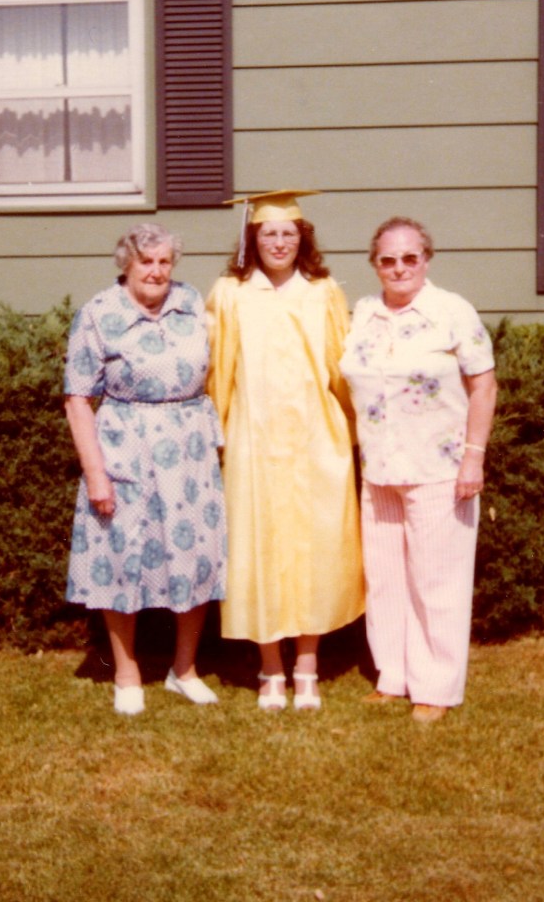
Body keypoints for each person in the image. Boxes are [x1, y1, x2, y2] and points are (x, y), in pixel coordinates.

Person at [206, 190, 364, 711]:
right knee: (260, 548)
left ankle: (307, 667)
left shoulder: (323, 293)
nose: (278, 242)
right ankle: (270, 667)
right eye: (268, 233)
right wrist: (218, 430)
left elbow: (344, 367)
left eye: (288, 234)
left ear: (303, 240)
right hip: (254, 442)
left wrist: (356, 428)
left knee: (315, 550)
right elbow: (218, 368)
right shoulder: (230, 293)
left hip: (317, 438)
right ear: (253, 238)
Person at [63, 223, 227, 716]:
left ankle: (185, 669)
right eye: (146, 262)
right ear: (126, 265)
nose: (156, 272)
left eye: (164, 262)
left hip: (190, 448)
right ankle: (128, 672)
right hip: (125, 447)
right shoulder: (99, 314)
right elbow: (77, 398)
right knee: (122, 557)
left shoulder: (192, 302)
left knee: (194, 553)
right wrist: (96, 473)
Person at [341, 217, 497, 723]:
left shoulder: (451, 311)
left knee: (437, 579)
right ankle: (394, 676)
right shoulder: (362, 314)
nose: (399, 267)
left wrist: (474, 455)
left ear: (426, 259)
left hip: (439, 467)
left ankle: (436, 686)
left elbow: (484, 386)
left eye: (410, 257)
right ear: (375, 264)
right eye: (388, 259)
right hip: (380, 467)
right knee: (386, 578)